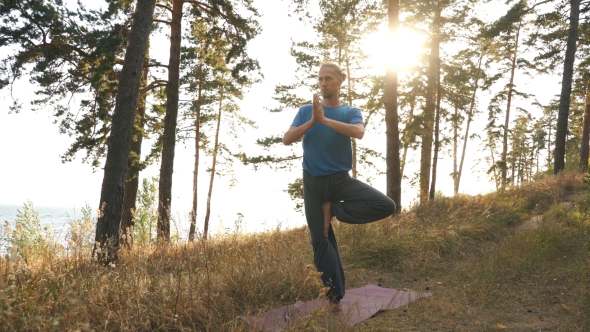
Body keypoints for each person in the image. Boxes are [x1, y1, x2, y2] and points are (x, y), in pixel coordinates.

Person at [282, 62, 397, 312]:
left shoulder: (350, 112)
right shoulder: (306, 112)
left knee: (386, 205)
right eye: (320, 79)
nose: (323, 83)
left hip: (340, 181)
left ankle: (332, 208)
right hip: (312, 184)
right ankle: (334, 299)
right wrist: (313, 120)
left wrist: (325, 120)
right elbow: (287, 139)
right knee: (320, 240)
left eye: (329, 79)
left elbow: (358, 132)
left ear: (340, 80)